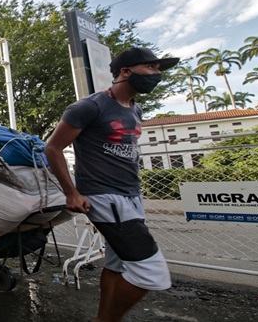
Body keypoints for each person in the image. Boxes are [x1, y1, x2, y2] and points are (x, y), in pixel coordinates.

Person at [44, 47, 179, 322]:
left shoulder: (135, 108)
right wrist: (72, 192)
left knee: (116, 263)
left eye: (159, 69)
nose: (157, 74)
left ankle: (103, 318)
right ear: (125, 72)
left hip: (131, 195)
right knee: (152, 273)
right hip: (105, 197)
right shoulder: (89, 107)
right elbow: (53, 148)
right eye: (150, 68)